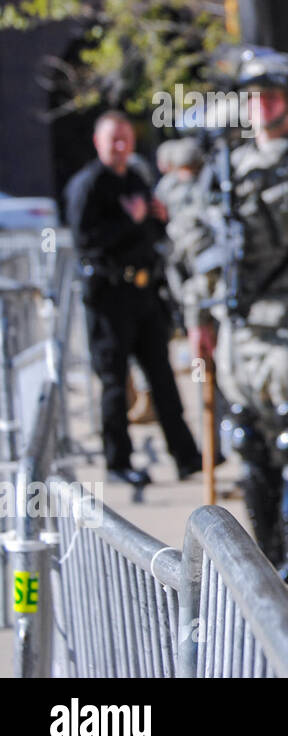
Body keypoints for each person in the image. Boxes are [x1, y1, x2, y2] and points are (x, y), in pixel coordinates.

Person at [179, 47, 288, 599]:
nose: (261, 107)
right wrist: (199, 315)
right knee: (249, 447)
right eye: (254, 97)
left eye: (273, 97)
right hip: (239, 329)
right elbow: (201, 246)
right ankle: (266, 565)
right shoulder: (226, 168)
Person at [64, 112, 203, 487]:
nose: (122, 146)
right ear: (99, 142)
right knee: (114, 383)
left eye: (126, 138)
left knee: (163, 377)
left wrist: (156, 217)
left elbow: (151, 231)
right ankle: (118, 462)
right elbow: (85, 242)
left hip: (145, 294)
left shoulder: (137, 178)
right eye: (114, 140)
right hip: (109, 299)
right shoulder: (87, 185)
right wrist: (132, 221)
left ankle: (187, 457)